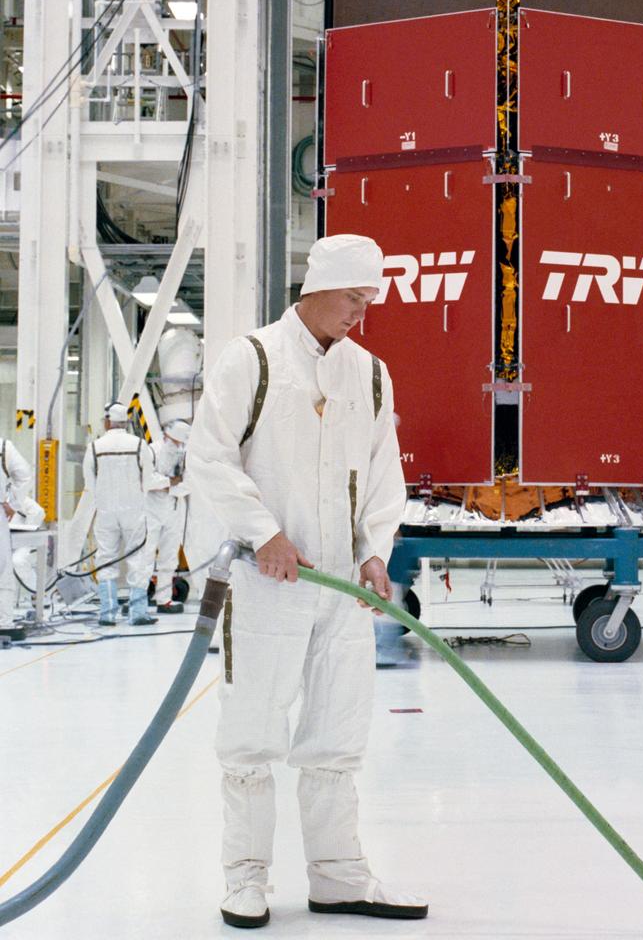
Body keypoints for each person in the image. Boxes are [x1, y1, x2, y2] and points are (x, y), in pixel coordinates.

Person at [186, 233, 426, 930]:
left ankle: (339, 876)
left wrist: (375, 550)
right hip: (269, 585)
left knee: (336, 736)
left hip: (342, 587)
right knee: (252, 736)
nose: (360, 312)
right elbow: (210, 457)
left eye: (368, 299)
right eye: (352, 296)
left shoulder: (370, 373)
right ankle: (246, 879)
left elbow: (383, 472)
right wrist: (265, 533)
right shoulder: (253, 359)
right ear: (315, 288)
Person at [83, 402, 159, 626]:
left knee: (106, 557)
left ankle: (107, 614)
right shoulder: (139, 445)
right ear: (125, 422)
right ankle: (137, 613)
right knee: (138, 558)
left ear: (107, 422)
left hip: (105, 511)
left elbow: (89, 482)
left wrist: (100, 501)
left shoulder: (95, 447)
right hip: (134, 510)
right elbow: (148, 479)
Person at [144, 419, 191, 614]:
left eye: (181, 443)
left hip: (174, 509)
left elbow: (188, 483)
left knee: (169, 557)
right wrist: (170, 482)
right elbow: (146, 480)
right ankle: (138, 600)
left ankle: (164, 599)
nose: (178, 446)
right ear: (166, 436)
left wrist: (168, 486)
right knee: (145, 555)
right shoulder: (151, 452)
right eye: (176, 442)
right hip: (151, 511)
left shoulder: (185, 455)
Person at [0, 436, 34, 642]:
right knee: (3, 570)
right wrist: (12, 503)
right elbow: (24, 475)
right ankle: (3, 623)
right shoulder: (3, 446)